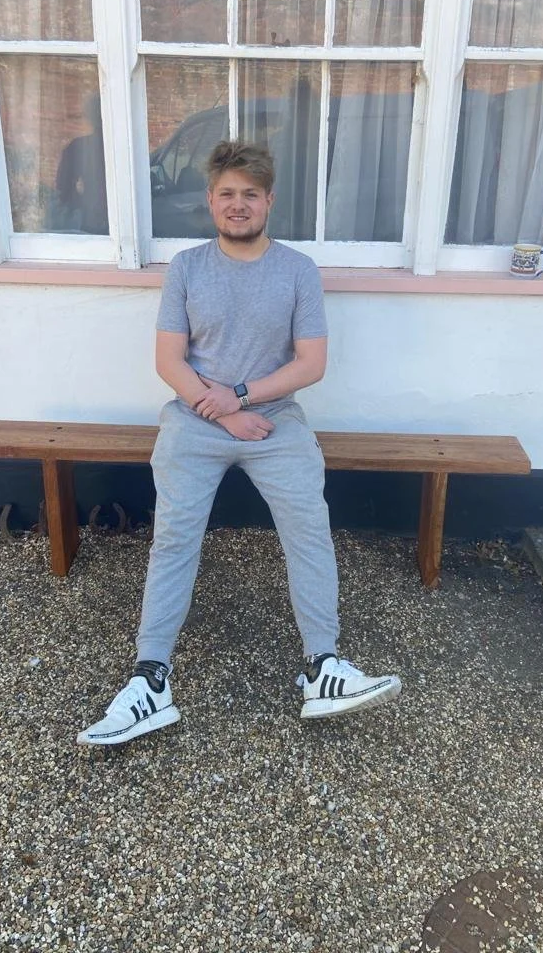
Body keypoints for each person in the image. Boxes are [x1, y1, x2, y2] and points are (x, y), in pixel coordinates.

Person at [77, 140, 401, 746]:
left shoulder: (297, 271)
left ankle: (322, 668)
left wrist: (243, 398)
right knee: (174, 538)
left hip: (275, 423)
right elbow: (168, 360)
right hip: (197, 422)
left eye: (250, 194)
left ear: (269, 201)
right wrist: (224, 413)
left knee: (309, 530)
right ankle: (151, 681)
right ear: (210, 200)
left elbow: (311, 364)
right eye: (227, 193)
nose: (238, 204)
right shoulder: (188, 268)